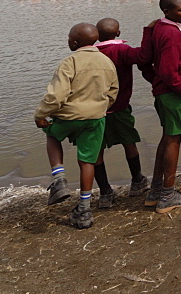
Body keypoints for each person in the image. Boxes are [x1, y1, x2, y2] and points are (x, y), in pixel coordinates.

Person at [34, 22, 118, 229]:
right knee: (87, 161)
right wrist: (99, 107)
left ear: (73, 42)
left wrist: (41, 114)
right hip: (95, 118)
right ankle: (84, 208)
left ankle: (59, 179)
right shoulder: (106, 61)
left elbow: (56, 95)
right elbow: (113, 91)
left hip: (69, 116)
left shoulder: (69, 62)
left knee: (51, 133)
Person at [140, 0, 181, 213]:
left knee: (166, 139)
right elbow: (168, 70)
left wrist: (154, 81)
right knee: (173, 141)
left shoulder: (159, 29)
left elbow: (144, 60)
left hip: (164, 92)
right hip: (173, 93)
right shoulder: (172, 35)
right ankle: (167, 195)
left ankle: (155, 191)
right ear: (167, 11)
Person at [92, 17, 152, 207]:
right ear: (118, 33)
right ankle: (137, 181)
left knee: (96, 152)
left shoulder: (92, 54)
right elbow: (143, 56)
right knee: (129, 142)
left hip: (96, 112)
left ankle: (105, 192)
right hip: (119, 108)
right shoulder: (121, 50)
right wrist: (148, 32)